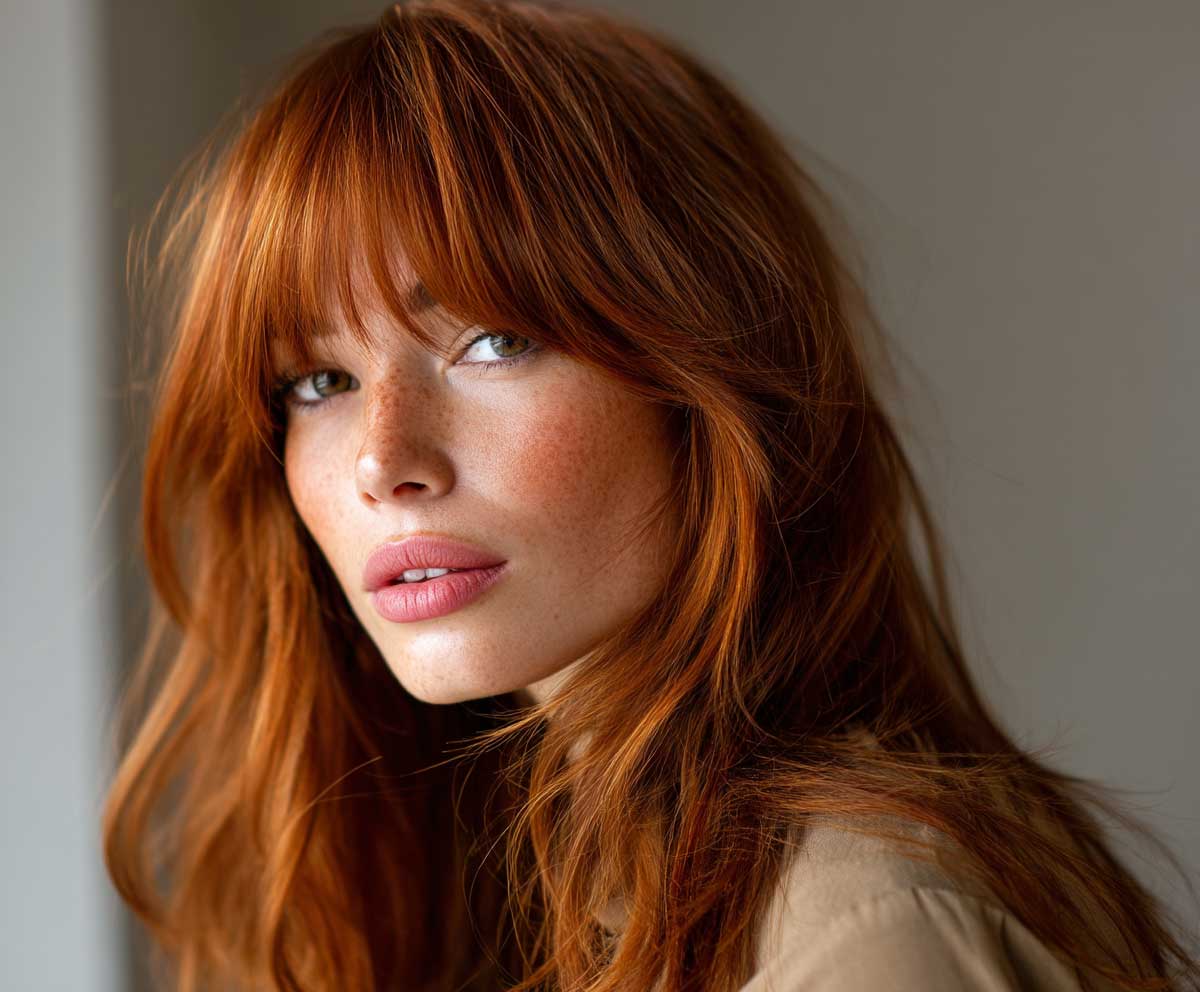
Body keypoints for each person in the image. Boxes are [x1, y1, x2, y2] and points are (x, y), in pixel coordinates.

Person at [101, 2, 1200, 990]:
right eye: (318, 381)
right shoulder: (523, 896)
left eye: (494, 339)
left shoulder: (865, 938)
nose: (382, 461)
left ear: (710, 378)